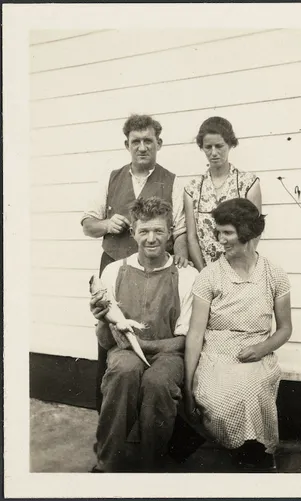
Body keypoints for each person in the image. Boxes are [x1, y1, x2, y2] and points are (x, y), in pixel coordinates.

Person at [81, 114, 189, 412]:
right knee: (110, 336)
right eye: (136, 142)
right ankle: (109, 410)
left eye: (148, 141)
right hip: (115, 264)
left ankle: (155, 412)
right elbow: (87, 225)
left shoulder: (172, 181)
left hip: (157, 269)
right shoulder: (111, 177)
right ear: (127, 145)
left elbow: (179, 228)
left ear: (159, 143)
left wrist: (180, 252)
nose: (142, 147)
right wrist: (105, 223)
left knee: (158, 335)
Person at [89, 197, 198, 472]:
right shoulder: (114, 271)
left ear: (170, 232)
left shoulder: (187, 275)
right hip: (125, 353)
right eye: (144, 231)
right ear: (133, 232)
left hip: (169, 355)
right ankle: (107, 461)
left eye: (159, 231)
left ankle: (151, 466)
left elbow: (184, 340)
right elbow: (105, 342)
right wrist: (102, 320)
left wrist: (141, 344)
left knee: (158, 382)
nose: (151, 238)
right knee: (123, 373)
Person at [184, 198, 292, 471]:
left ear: (247, 233)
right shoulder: (209, 276)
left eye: (228, 232)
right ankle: (242, 449)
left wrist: (262, 348)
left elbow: (285, 328)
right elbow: (196, 334)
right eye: (218, 232)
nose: (221, 239)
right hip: (217, 352)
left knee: (251, 389)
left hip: (256, 351)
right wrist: (187, 384)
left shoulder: (274, 274)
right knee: (219, 400)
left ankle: (256, 454)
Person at [184, 116, 262, 271]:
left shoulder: (248, 183)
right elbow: (191, 237)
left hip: (240, 269)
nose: (214, 153)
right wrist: (204, 274)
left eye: (219, 146)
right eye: (208, 147)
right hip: (206, 271)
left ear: (230, 144)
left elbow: (254, 232)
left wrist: (237, 270)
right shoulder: (192, 189)